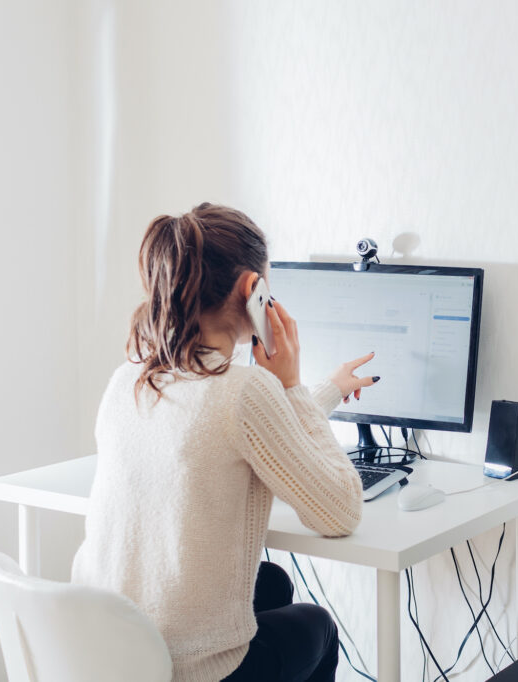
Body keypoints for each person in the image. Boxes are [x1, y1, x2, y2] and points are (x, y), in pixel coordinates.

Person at [71, 203, 377, 682]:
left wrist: (328, 390)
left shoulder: (129, 378)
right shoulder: (245, 391)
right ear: (253, 289)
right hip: (187, 669)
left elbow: (255, 435)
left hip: (110, 654)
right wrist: (291, 386)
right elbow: (341, 511)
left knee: (271, 584)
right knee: (318, 627)